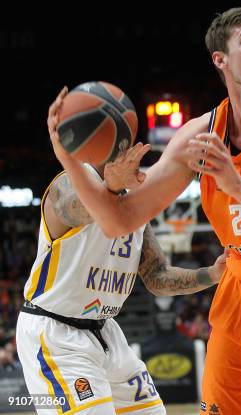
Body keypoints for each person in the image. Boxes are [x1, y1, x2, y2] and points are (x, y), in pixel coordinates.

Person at [46, 5, 241, 415]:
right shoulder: (198, 135)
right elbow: (118, 219)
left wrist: (238, 186)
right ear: (221, 59)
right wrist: (68, 157)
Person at [16, 144, 225, 415]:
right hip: (56, 332)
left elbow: (158, 277)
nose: (131, 155)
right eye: (119, 143)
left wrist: (213, 273)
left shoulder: (134, 206)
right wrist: (111, 189)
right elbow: (76, 209)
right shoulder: (67, 183)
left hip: (106, 331)